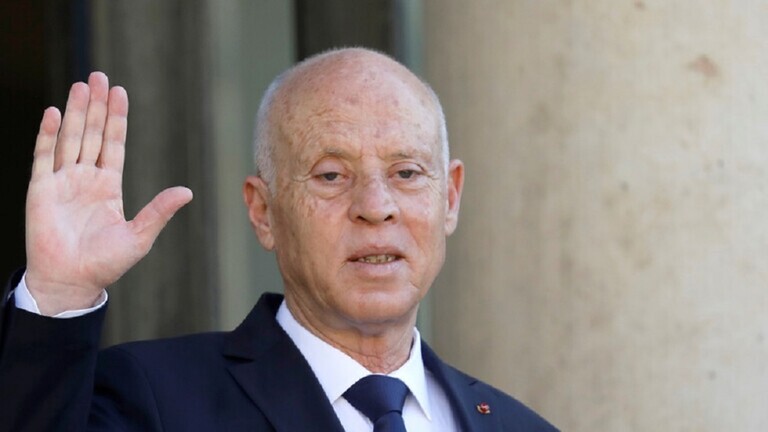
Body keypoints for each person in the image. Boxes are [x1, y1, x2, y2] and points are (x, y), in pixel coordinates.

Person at [0, 48, 558, 431]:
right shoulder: (158, 400)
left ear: (450, 198)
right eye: (331, 175)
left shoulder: (520, 426)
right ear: (263, 211)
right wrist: (60, 296)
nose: (375, 207)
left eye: (407, 173)